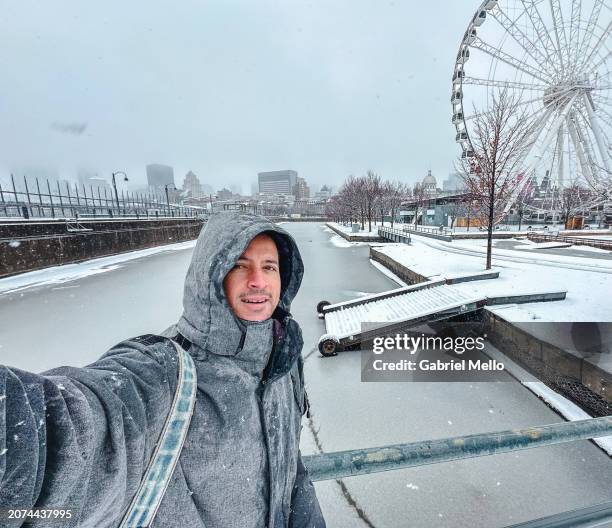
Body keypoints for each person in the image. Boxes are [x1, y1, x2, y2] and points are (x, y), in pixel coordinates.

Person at [0, 212, 325, 528]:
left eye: (269, 267)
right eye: (239, 265)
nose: (258, 281)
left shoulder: (283, 360)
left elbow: (290, 471)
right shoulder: (165, 372)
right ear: (211, 277)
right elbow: (68, 430)